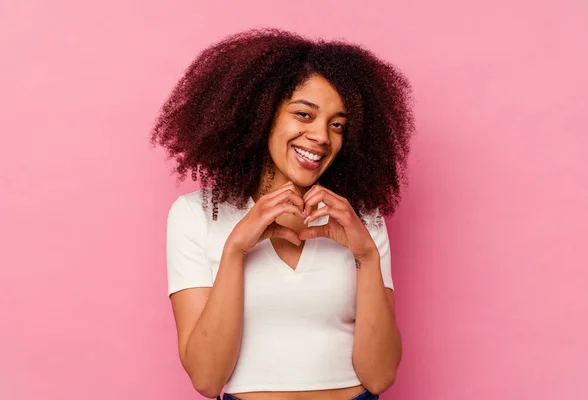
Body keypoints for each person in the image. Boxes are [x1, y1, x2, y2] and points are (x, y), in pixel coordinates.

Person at [150, 28, 414, 400]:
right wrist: (235, 249)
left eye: (336, 125)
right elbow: (207, 380)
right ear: (261, 115)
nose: (322, 136)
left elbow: (381, 375)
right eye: (304, 115)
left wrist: (366, 254)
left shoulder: (361, 220)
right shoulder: (196, 215)